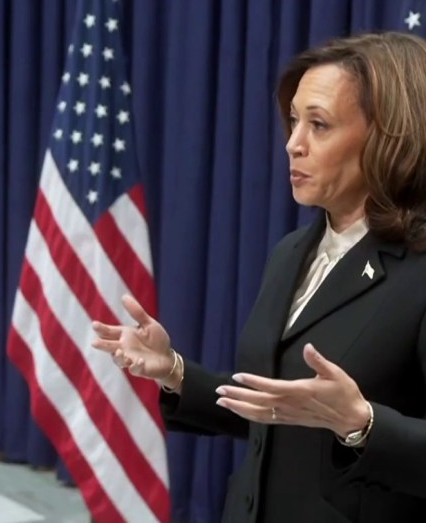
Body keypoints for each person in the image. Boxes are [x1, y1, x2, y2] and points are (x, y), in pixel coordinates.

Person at [92, 31, 426, 523]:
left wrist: (363, 425)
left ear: (388, 138)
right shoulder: (292, 252)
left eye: (319, 125)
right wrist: (174, 371)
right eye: (293, 121)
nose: (293, 144)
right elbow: (275, 411)